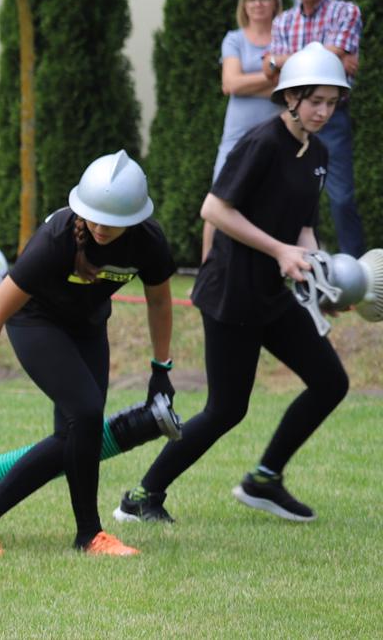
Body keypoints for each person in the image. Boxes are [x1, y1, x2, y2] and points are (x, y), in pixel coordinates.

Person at [116, 42, 352, 526]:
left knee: (331, 382)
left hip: (272, 295)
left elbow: (304, 228)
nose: (323, 111)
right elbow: (215, 210)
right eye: (315, 101)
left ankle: (264, 479)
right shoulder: (262, 143)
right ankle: (140, 498)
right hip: (231, 294)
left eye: (331, 102)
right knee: (226, 409)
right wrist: (280, 251)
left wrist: (324, 276)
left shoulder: (319, 152)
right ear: (291, 97)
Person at [0, 151, 174, 557]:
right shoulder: (56, 240)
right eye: (94, 217)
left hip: (88, 325)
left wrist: (161, 369)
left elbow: (159, 303)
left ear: (134, 219)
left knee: (74, 435)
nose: (101, 228)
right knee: (86, 415)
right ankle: (86, 534)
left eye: (113, 221)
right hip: (34, 322)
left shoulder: (148, 243)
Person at [263, 0, 362, 255]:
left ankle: (355, 272)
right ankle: (296, 262)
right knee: (289, 193)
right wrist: (325, 54)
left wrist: (282, 61)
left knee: (340, 196)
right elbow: (272, 68)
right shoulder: (283, 21)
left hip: (332, 116)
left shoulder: (346, 11)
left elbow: (279, 64)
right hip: (290, 118)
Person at [207, 0, 284, 262]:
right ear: (244, 4)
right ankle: (208, 270)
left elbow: (291, 87)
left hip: (276, 135)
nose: (258, 4)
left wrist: (249, 83)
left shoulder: (285, 37)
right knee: (218, 200)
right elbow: (230, 85)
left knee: (271, 202)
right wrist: (271, 79)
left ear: (276, 2)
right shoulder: (234, 39)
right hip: (236, 135)